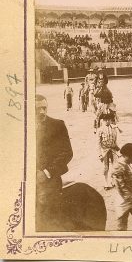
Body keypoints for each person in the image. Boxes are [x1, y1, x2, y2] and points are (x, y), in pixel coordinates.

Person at [35, 94, 74, 231]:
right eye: (37, 109)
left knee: (51, 220)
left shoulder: (57, 125)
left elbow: (67, 152)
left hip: (50, 181)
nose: (42, 112)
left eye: (44, 108)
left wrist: (46, 172)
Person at [97, 112, 119, 190]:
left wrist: (117, 148)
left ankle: (113, 182)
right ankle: (106, 184)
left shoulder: (114, 128)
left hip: (113, 149)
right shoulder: (100, 130)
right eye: (105, 120)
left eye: (109, 120)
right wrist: (99, 154)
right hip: (104, 150)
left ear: (111, 120)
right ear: (103, 120)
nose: (107, 121)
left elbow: (115, 140)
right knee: (105, 168)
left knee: (114, 167)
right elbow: (98, 143)